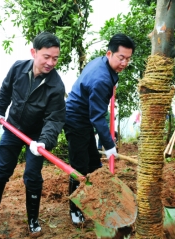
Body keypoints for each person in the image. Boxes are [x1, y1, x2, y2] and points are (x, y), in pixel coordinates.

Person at [0, 32, 65, 237]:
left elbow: (55, 118)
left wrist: (43, 141)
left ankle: (33, 220)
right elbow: (5, 90)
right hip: (13, 128)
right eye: (46, 57)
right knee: (2, 170)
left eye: (55, 58)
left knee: (32, 176)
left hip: (37, 137)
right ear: (34, 52)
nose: (51, 62)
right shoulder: (17, 68)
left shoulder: (56, 86)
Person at [64, 33, 135, 226]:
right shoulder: (102, 79)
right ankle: (75, 210)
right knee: (79, 166)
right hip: (75, 119)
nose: (125, 63)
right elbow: (97, 116)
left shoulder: (102, 64)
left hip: (84, 118)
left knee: (95, 165)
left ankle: (102, 201)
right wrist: (109, 144)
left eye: (128, 59)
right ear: (109, 53)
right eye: (121, 58)